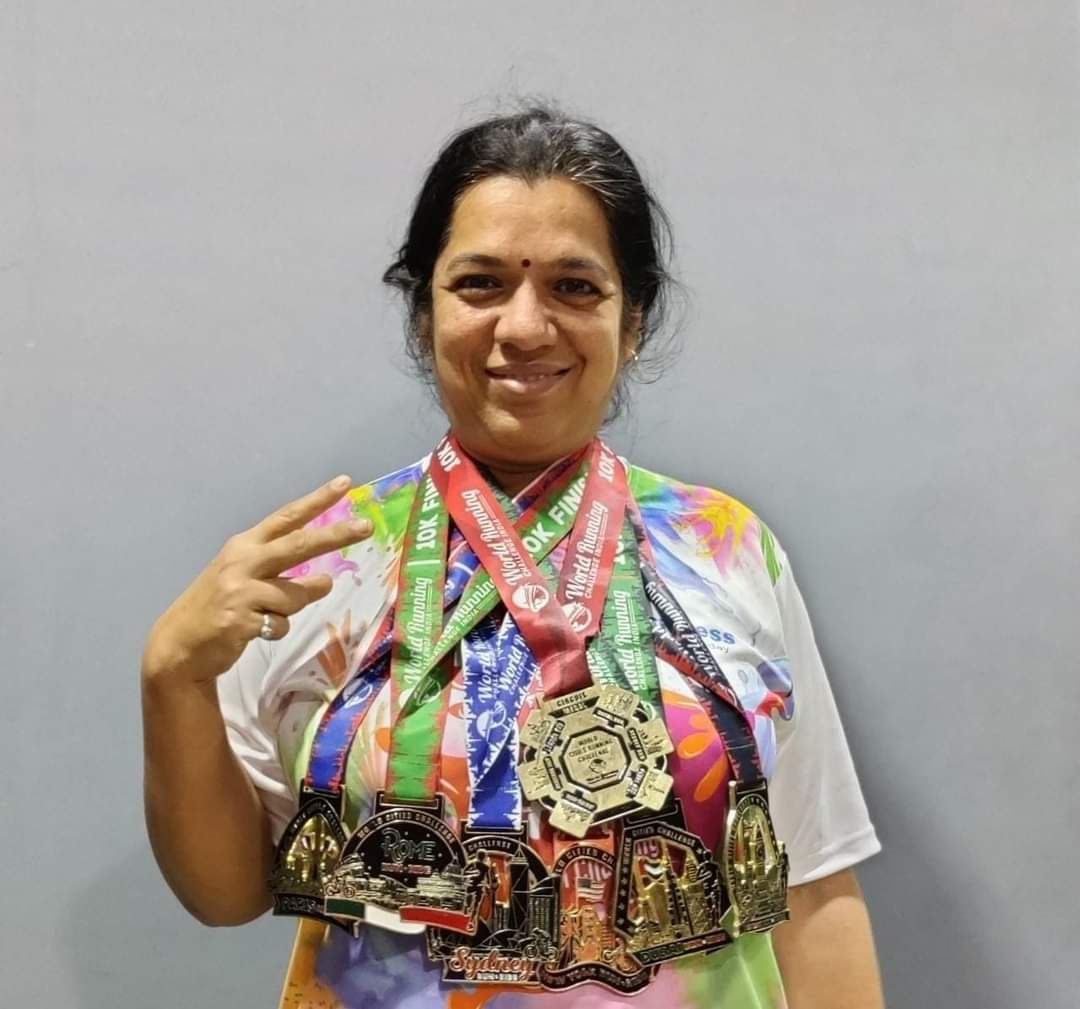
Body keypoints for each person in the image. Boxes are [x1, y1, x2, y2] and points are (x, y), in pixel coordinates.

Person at [141, 103, 885, 1009]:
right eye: (481, 283)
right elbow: (225, 894)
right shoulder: (329, 558)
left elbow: (813, 879)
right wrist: (173, 676)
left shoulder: (725, 544)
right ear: (423, 312)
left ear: (634, 319)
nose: (525, 326)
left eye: (575, 286)